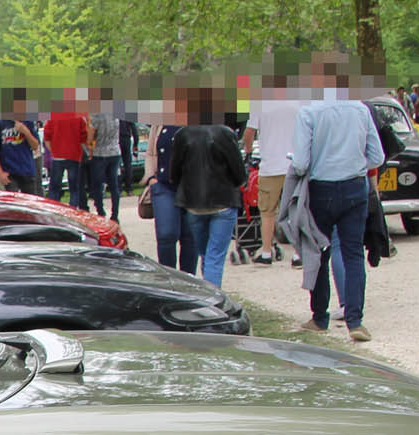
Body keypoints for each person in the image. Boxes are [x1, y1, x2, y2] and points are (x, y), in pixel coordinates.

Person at [290, 93, 382, 341]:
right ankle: (355, 321)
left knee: (318, 250)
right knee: (353, 253)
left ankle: (320, 316)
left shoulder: (309, 112)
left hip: (321, 188)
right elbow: (378, 156)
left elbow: (300, 162)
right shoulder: (361, 110)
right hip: (354, 186)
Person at [163, 93, 245, 286]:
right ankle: (212, 299)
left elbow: (174, 174)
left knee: (204, 253)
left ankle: (208, 290)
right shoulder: (226, 134)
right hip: (223, 201)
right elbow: (239, 174)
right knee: (215, 256)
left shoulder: (183, 134)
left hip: (194, 203)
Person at [243, 77, 305, 266]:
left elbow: (249, 132)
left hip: (270, 166)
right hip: (295, 165)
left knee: (267, 212)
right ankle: (298, 254)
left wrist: (248, 151)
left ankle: (267, 252)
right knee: (295, 211)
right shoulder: (301, 101)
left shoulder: (260, 102)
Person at [142, 105, 191, 272]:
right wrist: (150, 178)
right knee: (166, 234)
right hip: (164, 185)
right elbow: (150, 152)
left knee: (190, 237)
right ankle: (168, 279)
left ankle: (189, 283)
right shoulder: (160, 120)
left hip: (192, 187)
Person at [0, 101, 41, 195]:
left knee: (30, 202)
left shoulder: (27, 122)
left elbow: (35, 146)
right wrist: (0, 173)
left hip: (27, 170)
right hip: (9, 173)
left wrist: (26, 132)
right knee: (13, 200)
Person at [43, 104, 90, 206]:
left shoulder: (53, 117)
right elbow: (84, 138)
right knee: (74, 188)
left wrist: (54, 151)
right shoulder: (78, 117)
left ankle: (53, 210)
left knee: (54, 187)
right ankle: (73, 210)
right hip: (74, 155)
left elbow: (46, 137)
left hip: (57, 156)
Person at [84, 109, 122, 219]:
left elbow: (90, 137)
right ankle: (115, 215)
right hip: (114, 151)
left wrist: (89, 145)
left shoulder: (95, 115)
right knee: (114, 185)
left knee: (97, 184)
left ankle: (101, 212)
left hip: (99, 153)